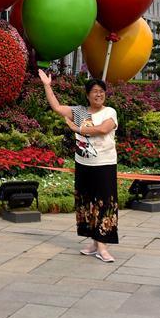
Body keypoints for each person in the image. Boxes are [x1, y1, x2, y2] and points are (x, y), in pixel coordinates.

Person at [39, 71, 119, 262]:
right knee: (87, 203)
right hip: (84, 164)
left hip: (104, 164)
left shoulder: (110, 112)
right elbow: (57, 108)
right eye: (94, 91)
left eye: (101, 91)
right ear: (87, 95)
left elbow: (102, 129)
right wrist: (47, 85)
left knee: (104, 204)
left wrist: (78, 129)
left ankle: (102, 246)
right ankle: (94, 243)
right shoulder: (81, 112)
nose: (98, 94)